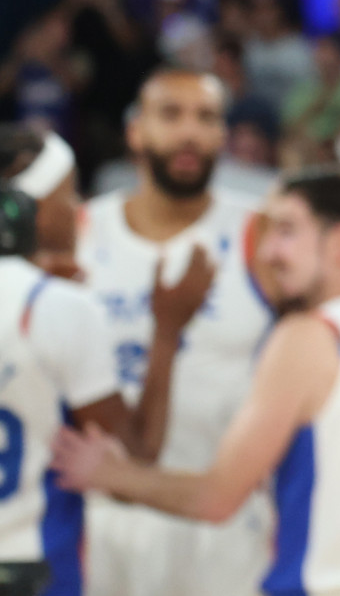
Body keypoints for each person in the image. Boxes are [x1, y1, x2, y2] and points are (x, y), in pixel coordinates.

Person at [54, 169, 340, 596]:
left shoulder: (312, 337)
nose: (269, 252)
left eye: (286, 231)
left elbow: (217, 499)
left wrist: (110, 474)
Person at [74, 67, 276, 596]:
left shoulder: (263, 237)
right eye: (171, 114)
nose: (190, 132)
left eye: (206, 118)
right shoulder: (78, 235)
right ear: (135, 132)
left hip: (222, 519)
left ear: (223, 138)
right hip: (99, 517)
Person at [0, 126, 203, 596]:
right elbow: (136, 452)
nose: (77, 212)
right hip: (32, 568)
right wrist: (168, 331)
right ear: (27, 210)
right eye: (67, 197)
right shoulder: (60, 308)